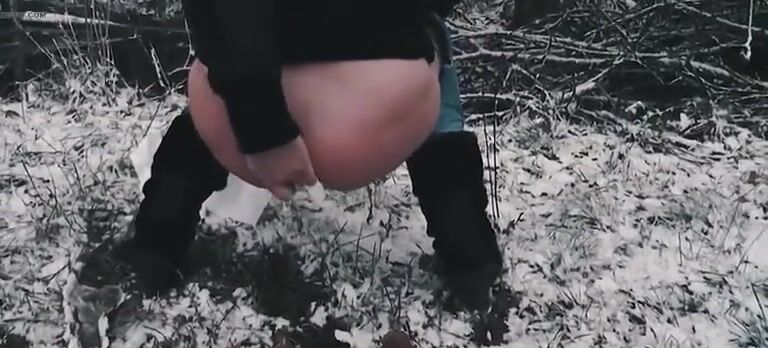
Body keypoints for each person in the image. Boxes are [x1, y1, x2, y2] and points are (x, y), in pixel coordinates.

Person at [83, 0, 502, 312]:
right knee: (437, 74)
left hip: (233, 123)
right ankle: (471, 261)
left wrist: (263, 128)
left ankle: (156, 245)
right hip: (380, 106)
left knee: (217, 76)